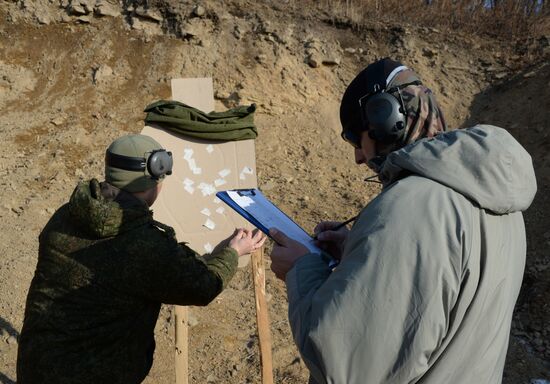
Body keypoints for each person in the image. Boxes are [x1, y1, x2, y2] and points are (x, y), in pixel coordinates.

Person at [269, 58, 537, 383]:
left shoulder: (410, 206)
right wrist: (361, 251)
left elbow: (344, 363)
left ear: (386, 118)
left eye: (357, 137)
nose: (357, 156)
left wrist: (301, 270)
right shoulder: (499, 202)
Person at [17, 134, 266, 384]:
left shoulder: (67, 214)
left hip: (36, 365)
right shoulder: (143, 243)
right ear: (154, 176)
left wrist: (215, 254)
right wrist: (233, 252)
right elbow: (202, 286)